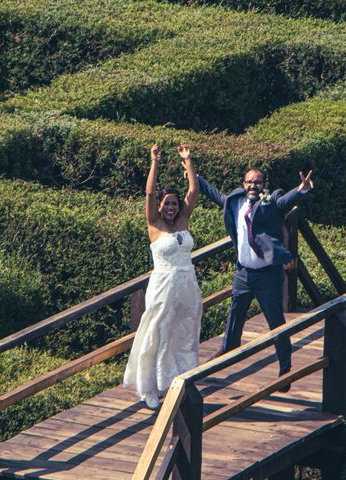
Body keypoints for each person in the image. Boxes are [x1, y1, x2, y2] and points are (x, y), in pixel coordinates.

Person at [198, 167, 313, 390]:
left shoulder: (272, 201)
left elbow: (286, 200)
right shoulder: (234, 202)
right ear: (243, 184)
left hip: (268, 274)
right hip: (243, 273)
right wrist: (194, 175)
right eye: (249, 182)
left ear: (264, 185)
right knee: (235, 314)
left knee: (275, 321)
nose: (253, 186)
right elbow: (213, 194)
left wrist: (302, 189)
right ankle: (228, 349)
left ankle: (285, 368)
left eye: (257, 183)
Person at [123, 143, 203, 410]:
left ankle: (179, 379)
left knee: (185, 332)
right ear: (159, 206)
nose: (171, 207)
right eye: (166, 203)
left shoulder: (183, 220)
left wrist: (188, 161)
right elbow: (148, 192)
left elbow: (194, 191)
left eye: (174, 203)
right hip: (163, 285)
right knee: (159, 333)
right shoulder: (154, 224)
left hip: (187, 284)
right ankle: (150, 386)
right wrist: (154, 162)